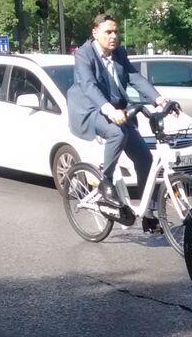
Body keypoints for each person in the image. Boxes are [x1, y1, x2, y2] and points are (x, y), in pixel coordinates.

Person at [67, 13, 173, 231]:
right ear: (95, 32)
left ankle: (149, 214)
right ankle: (106, 181)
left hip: (116, 110)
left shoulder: (119, 53)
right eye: (108, 32)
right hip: (90, 109)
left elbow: (134, 77)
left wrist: (159, 99)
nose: (114, 36)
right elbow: (88, 86)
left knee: (145, 158)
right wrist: (108, 109)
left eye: (116, 31)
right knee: (117, 134)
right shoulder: (84, 54)